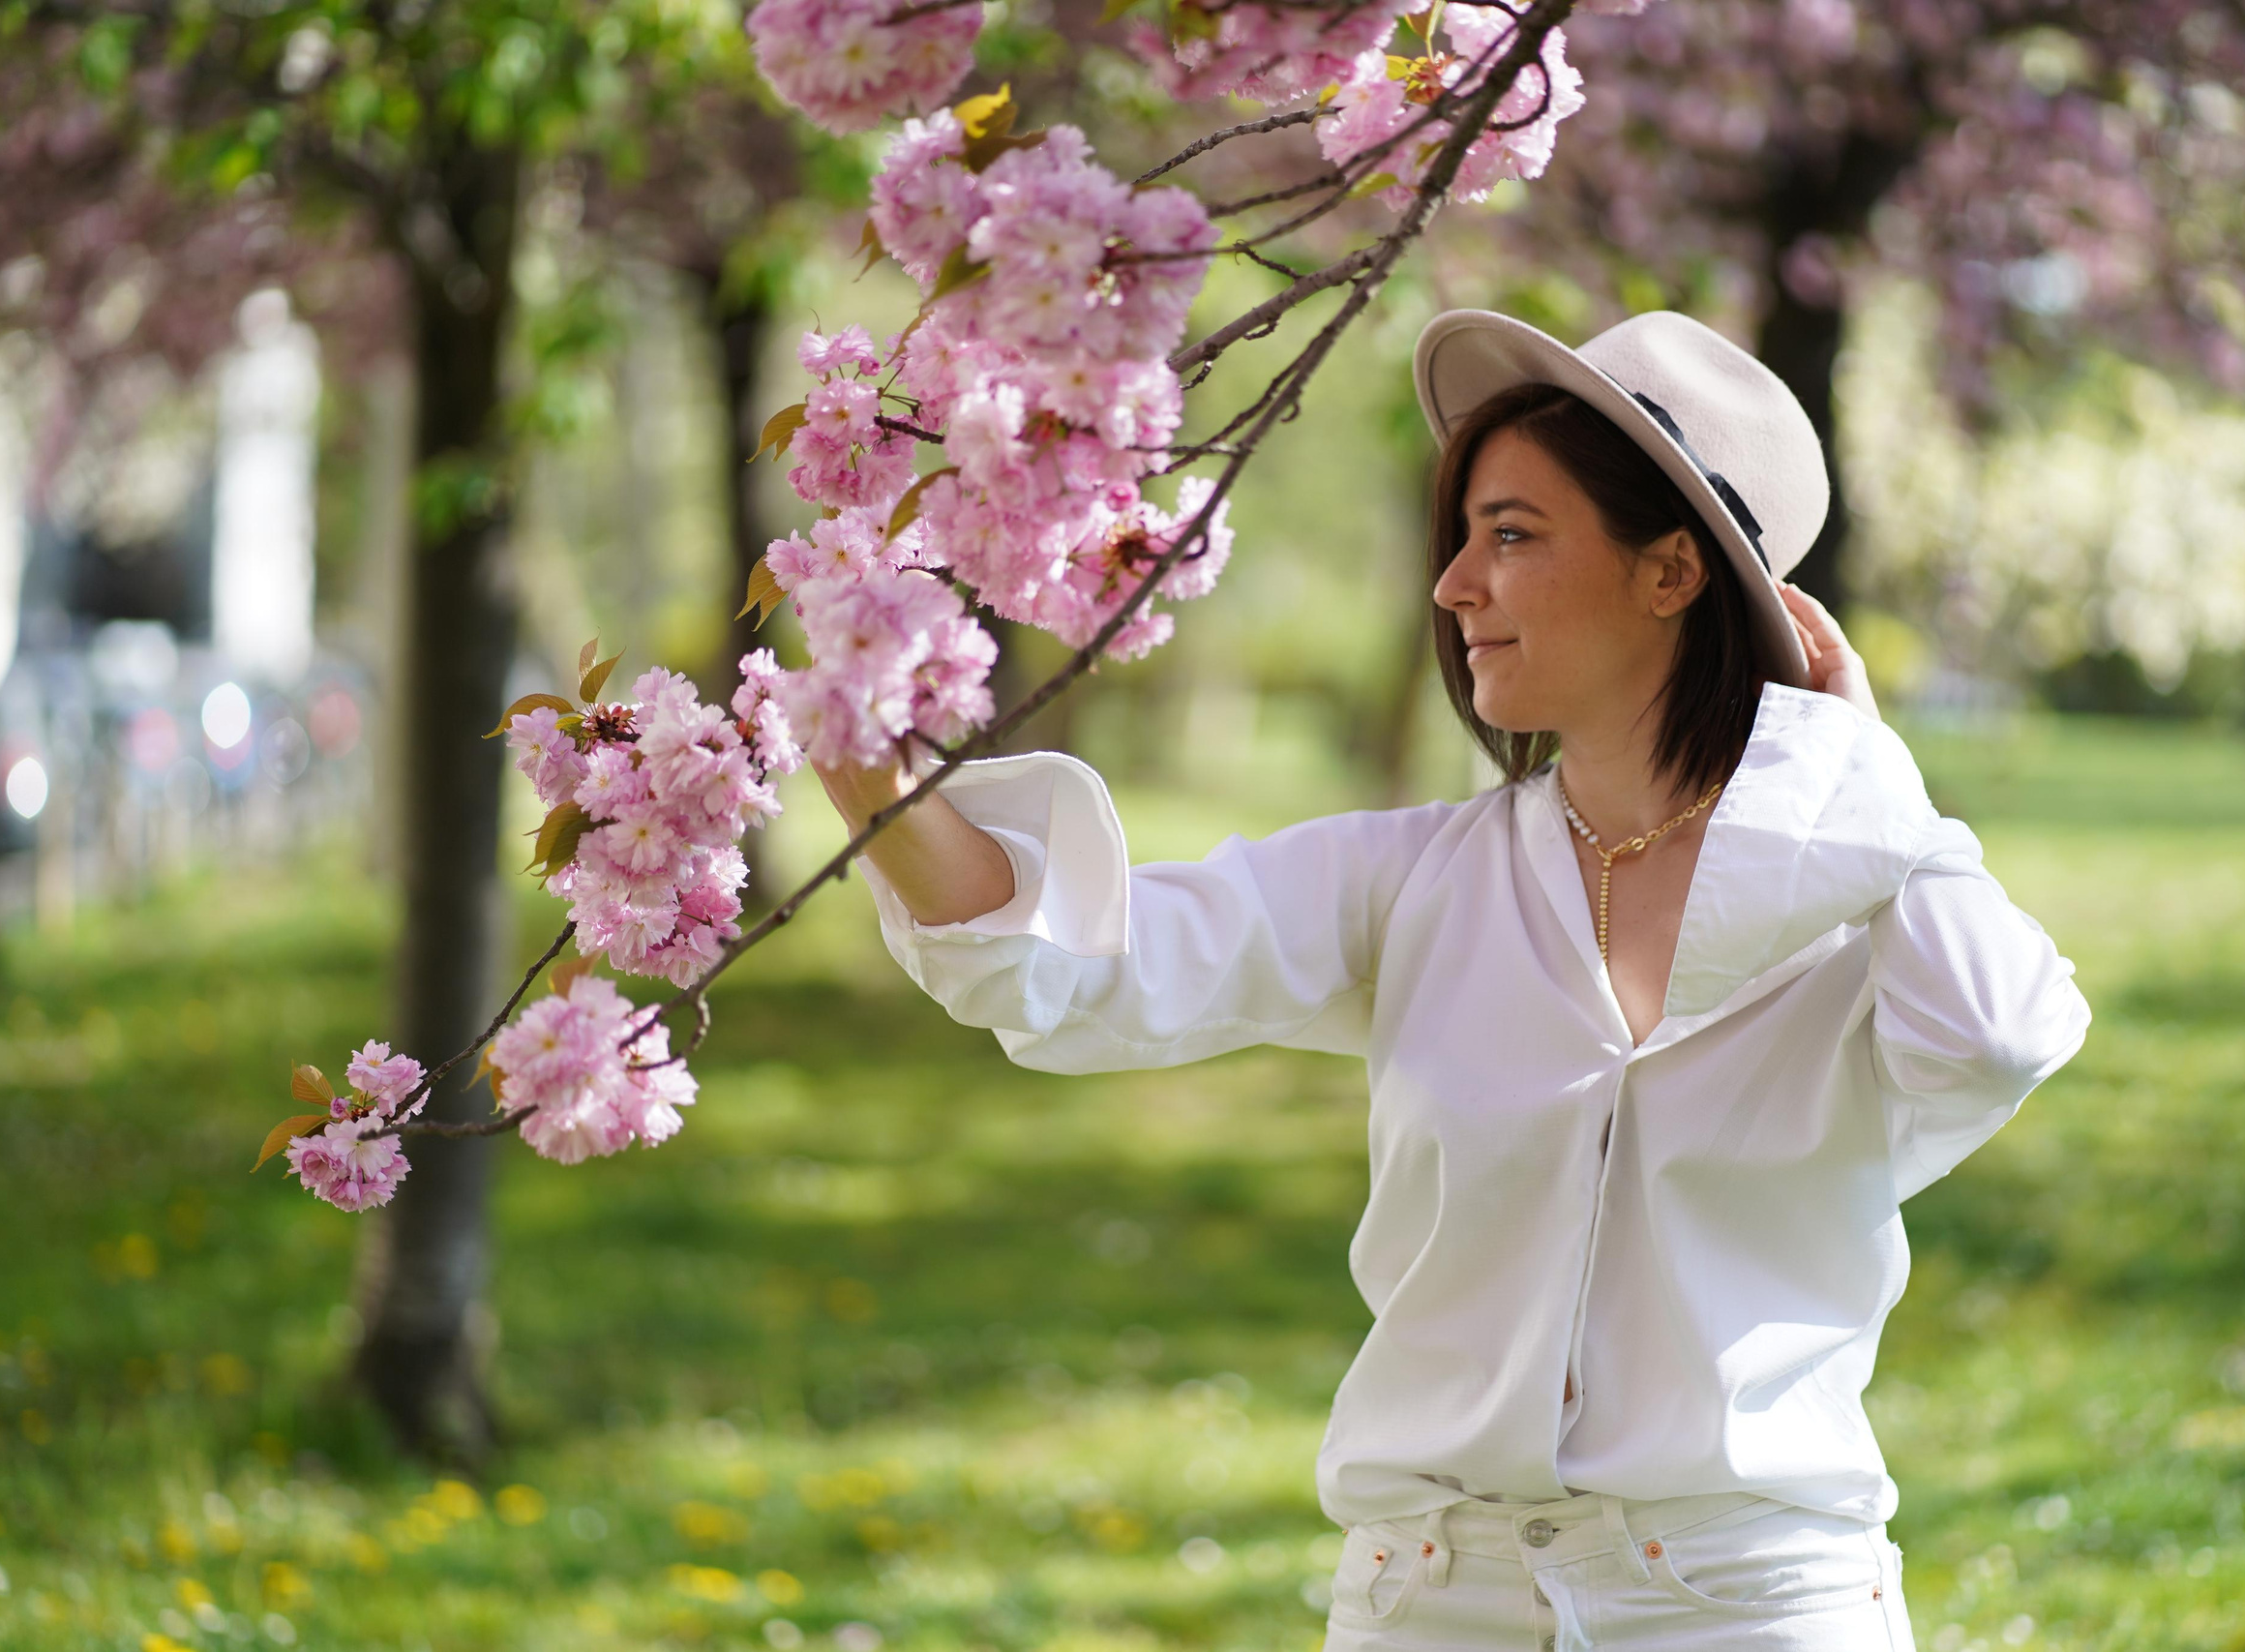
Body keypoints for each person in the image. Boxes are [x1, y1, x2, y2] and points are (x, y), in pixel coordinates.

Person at [811, 309, 2091, 1652]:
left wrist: (1866, 770)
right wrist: (864, 765)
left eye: (1515, 535)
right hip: (1434, 1598)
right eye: (1465, 535)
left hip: (1750, 1597)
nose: (1454, 585)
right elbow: (1085, 962)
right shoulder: (1420, 877)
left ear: (1671, 573)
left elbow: (1996, 1038)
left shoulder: (1864, 895)